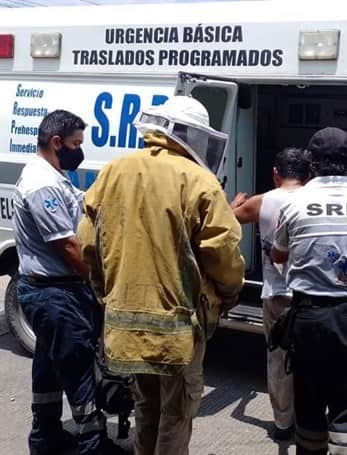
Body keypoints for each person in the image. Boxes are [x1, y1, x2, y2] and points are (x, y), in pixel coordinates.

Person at [78, 96, 245, 455]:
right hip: (179, 331)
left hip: (125, 328)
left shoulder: (112, 171)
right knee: (177, 414)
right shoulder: (199, 180)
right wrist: (229, 293)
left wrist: (106, 293)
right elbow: (222, 253)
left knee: (146, 409)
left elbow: (89, 244)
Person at [13, 110, 125, 455]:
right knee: (78, 372)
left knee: (47, 367)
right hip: (55, 292)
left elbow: (83, 205)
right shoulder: (42, 184)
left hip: (48, 291)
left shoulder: (54, 176)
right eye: (76, 144)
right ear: (56, 142)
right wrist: (101, 284)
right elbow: (68, 246)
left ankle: (45, 437)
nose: (80, 151)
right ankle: (92, 445)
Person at [271, 127, 347, 455]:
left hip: (310, 317)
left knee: (310, 398)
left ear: (310, 163)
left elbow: (279, 253)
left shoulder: (294, 203)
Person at [230, 147, 310, 441]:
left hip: (276, 294)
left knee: (279, 360)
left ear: (276, 173)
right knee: (311, 359)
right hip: (310, 295)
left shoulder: (262, 201)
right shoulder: (315, 200)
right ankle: (310, 418)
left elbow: (226, 222)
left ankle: (283, 423)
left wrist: (235, 202)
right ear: (308, 174)